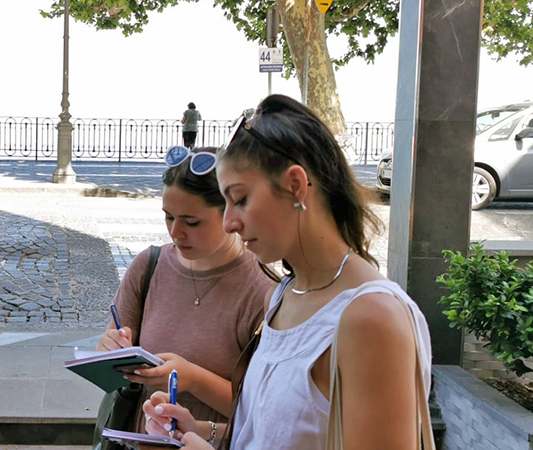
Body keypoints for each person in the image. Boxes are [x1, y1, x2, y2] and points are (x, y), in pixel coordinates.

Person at [142, 95, 433, 449]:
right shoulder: (282, 295)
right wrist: (200, 431)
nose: (230, 222)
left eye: (241, 199)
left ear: (295, 185)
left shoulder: (371, 318)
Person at [97, 146, 276, 448]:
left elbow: (269, 410)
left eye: (192, 222)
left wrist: (193, 378)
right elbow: (111, 373)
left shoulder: (264, 290)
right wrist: (110, 354)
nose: (175, 232)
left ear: (230, 213)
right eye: (168, 217)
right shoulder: (148, 266)